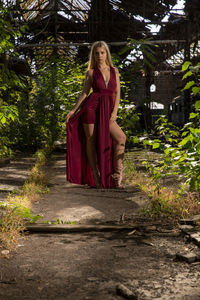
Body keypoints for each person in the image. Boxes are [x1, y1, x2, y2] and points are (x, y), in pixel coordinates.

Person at [66, 41, 126, 188]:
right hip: (91, 109)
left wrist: (114, 112)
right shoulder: (91, 72)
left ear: (107, 54)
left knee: (121, 138)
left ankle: (117, 176)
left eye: (102, 52)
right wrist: (73, 110)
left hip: (108, 111)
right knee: (91, 141)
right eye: (96, 53)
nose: (99, 55)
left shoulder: (114, 71)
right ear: (93, 55)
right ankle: (96, 176)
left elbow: (117, 93)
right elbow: (85, 93)